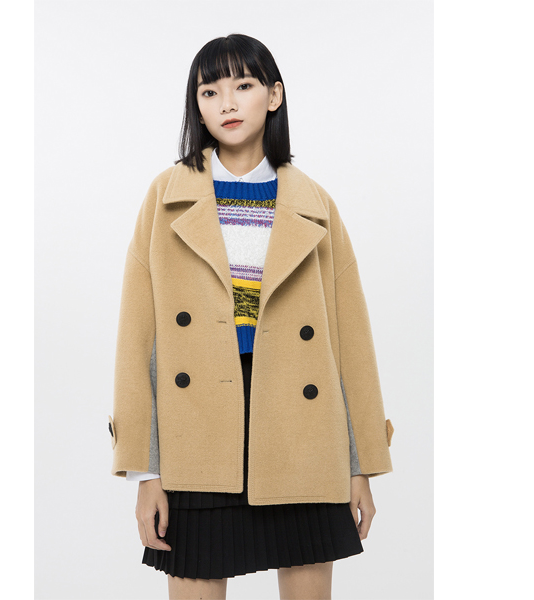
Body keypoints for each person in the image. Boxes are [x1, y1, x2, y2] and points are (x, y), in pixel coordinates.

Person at [108, 33, 395, 600]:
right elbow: (137, 338)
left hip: (301, 426)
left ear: (274, 95)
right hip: (197, 426)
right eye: (209, 92)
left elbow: (351, 340)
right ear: (197, 107)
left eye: (243, 85)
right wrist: (145, 472)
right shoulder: (164, 197)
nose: (227, 103)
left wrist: (361, 463)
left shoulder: (315, 203)